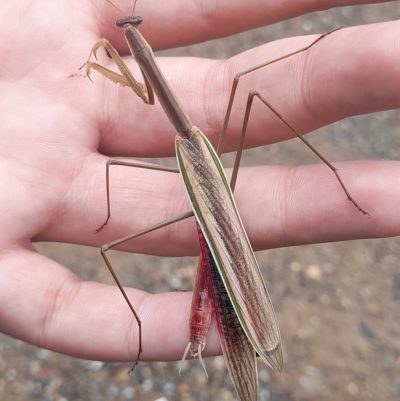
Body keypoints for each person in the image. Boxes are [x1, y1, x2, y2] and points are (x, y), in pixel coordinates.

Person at [1, 0, 399, 364]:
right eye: (129, 27)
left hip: (198, 160)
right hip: (198, 160)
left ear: (138, 43)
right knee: (249, 89)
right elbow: (148, 93)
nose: (130, 29)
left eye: (131, 28)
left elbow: (145, 94)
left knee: (110, 241)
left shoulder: (139, 71)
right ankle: (238, 331)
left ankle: (240, 326)